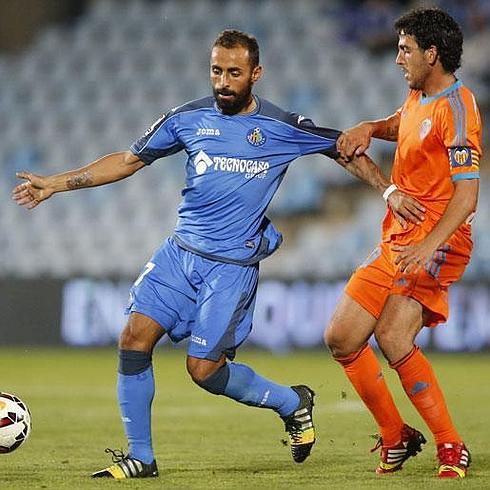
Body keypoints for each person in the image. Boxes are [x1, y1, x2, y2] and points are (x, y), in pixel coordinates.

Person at [13, 30, 420, 480]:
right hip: (179, 253)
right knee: (132, 338)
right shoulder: (186, 119)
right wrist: (55, 183)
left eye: (234, 73)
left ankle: (292, 402)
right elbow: (128, 160)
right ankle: (141, 458)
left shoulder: (280, 127)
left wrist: (387, 191)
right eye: (216, 71)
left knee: (203, 370)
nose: (223, 82)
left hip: (229, 270)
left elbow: (344, 149)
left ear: (255, 74)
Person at [326, 8, 481, 479]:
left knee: (392, 336)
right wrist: (370, 128)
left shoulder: (459, 107)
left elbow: (468, 195)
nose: (398, 58)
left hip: (441, 238)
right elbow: (403, 124)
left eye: (405, 50)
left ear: (431, 55)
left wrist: (430, 244)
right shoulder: (418, 95)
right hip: (399, 236)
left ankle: (452, 446)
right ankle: (396, 437)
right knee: (342, 337)